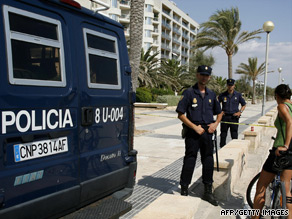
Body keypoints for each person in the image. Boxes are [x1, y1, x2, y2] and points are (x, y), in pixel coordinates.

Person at [176, 65, 222, 206]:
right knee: (190, 159)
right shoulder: (189, 93)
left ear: (209, 77)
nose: (204, 77)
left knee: (208, 160)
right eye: (202, 74)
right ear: (197, 75)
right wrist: (194, 127)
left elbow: (219, 113)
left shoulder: (212, 94)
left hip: (208, 132)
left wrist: (215, 125)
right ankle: (184, 187)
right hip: (193, 132)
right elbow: (181, 114)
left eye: (206, 75)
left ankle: (207, 190)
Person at [252, 84, 292, 219]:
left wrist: (285, 145)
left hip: (280, 151)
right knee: (286, 188)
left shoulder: (282, 106)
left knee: (261, 186)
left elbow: (289, 122)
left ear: (277, 96)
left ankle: (255, 217)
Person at [218, 79, 246, 148]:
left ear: (234, 86)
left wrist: (240, 112)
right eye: (229, 85)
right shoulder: (222, 95)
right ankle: (222, 148)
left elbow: (244, 104)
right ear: (227, 85)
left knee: (234, 134)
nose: (230, 86)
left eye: (231, 85)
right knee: (223, 134)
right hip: (225, 117)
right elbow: (216, 103)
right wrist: (219, 111)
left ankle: (234, 148)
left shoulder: (238, 95)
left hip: (234, 117)